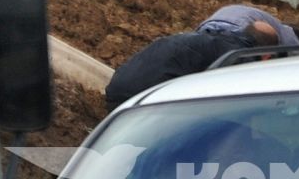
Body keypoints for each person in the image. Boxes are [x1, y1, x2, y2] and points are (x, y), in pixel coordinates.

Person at [105, 20, 282, 111]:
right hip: (143, 103)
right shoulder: (238, 58)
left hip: (117, 90)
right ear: (267, 55)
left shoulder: (213, 40)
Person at [197, 4, 299, 47]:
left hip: (209, 25)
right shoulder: (289, 37)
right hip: (237, 28)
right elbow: (297, 60)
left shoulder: (274, 24)